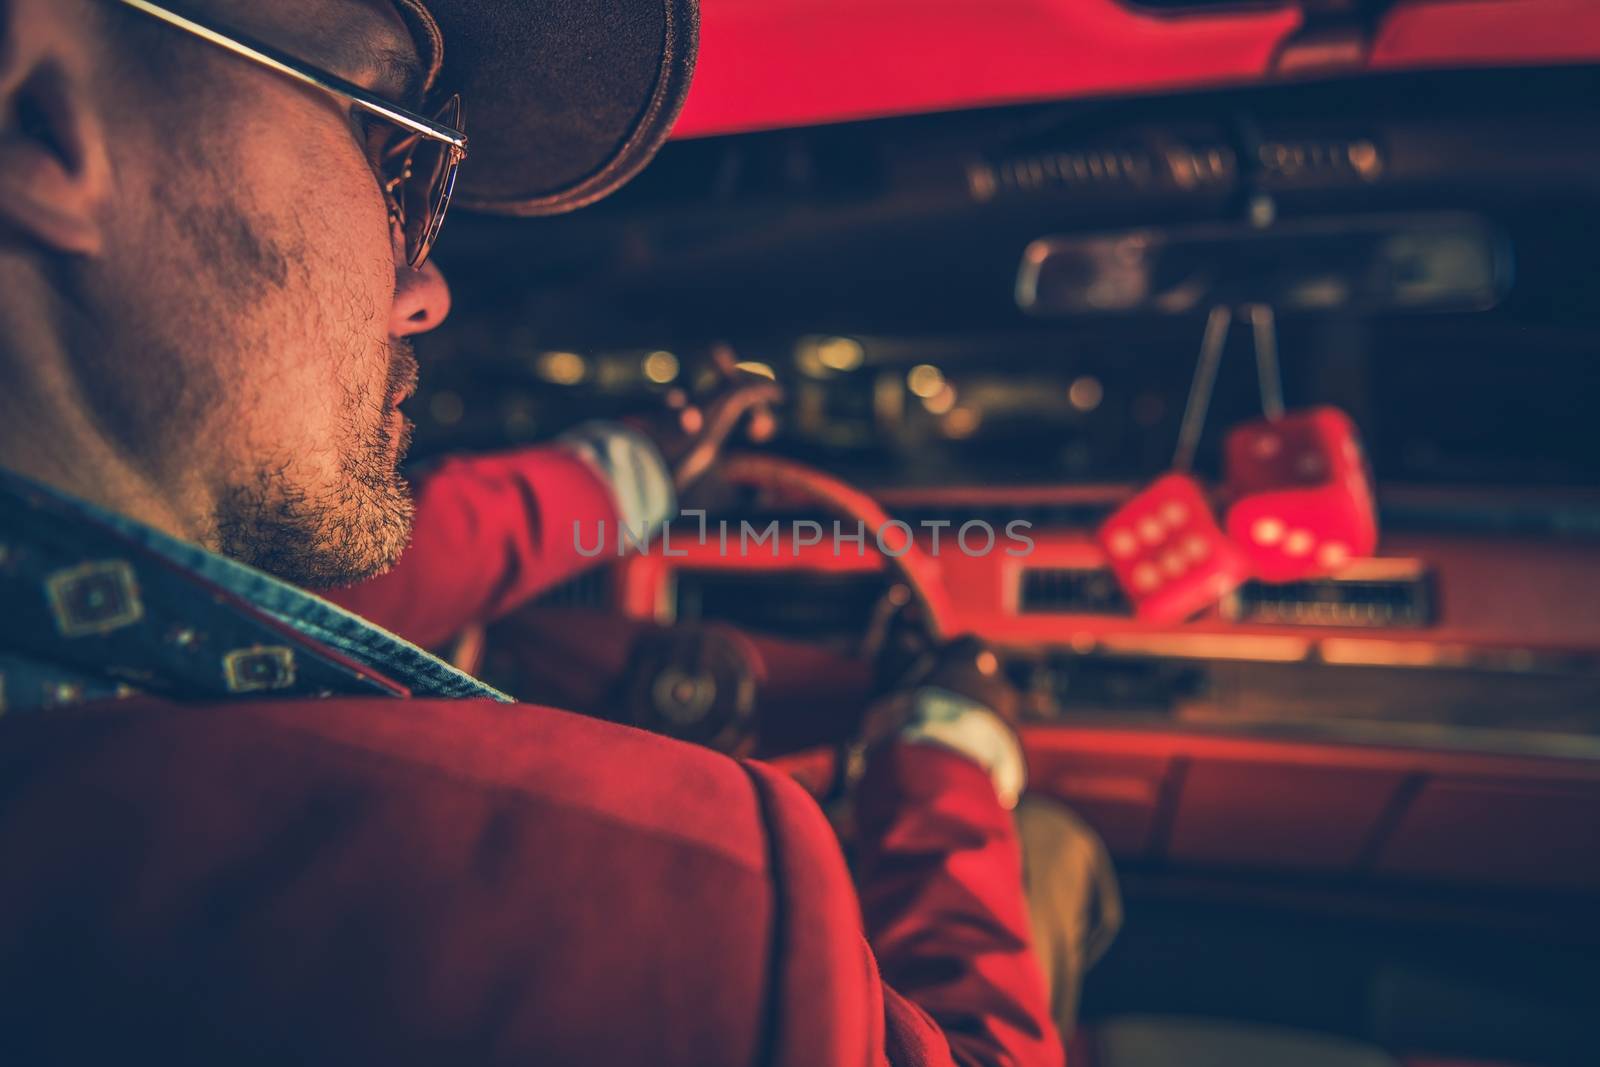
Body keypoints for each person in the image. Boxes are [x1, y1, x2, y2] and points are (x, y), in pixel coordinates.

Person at [0, 0, 1073, 1062]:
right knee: (1057, 853)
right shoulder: (690, 926)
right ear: (37, 122)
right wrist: (946, 751)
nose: (426, 287)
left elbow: (361, 590)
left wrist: (631, 470)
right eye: (392, 160)